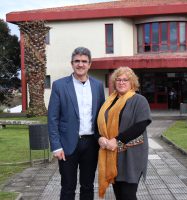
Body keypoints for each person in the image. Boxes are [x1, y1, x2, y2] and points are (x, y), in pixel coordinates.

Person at [48, 47, 105, 200]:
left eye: (84, 61)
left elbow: (101, 116)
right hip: (67, 145)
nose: (80, 64)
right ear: (71, 63)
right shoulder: (59, 85)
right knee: (67, 186)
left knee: (88, 186)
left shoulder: (98, 86)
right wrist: (56, 146)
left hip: (91, 144)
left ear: (90, 64)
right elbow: (53, 118)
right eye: (77, 61)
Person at [97, 66, 152, 200]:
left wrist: (116, 140)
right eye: (118, 79)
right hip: (113, 154)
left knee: (128, 195)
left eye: (125, 80)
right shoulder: (109, 101)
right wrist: (100, 138)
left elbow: (141, 125)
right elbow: (100, 122)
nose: (121, 82)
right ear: (114, 82)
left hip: (132, 155)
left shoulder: (139, 100)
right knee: (119, 194)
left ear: (132, 82)